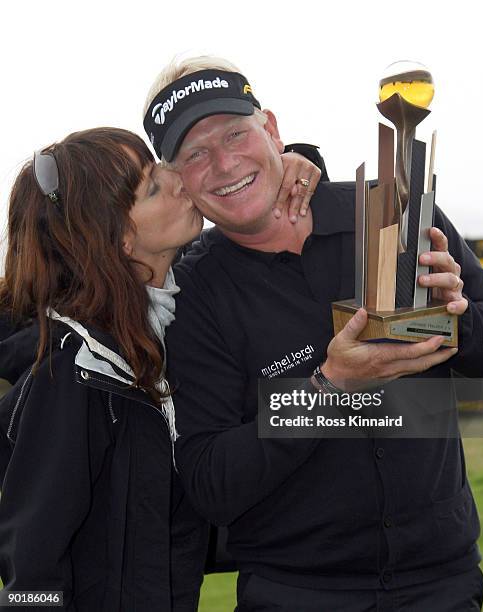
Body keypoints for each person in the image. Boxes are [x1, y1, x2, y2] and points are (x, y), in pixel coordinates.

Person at [143, 56, 483, 611]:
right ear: (178, 180)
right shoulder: (193, 294)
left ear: (271, 129)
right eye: (195, 153)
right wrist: (327, 386)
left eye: (235, 134)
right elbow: (211, 480)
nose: (223, 164)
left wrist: (454, 317)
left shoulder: (394, 213)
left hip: (444, 582)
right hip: (296, 593)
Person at [0, 126, 322, 611]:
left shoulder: (161, 331)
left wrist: (291, 164)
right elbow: (31, 576)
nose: (178, 180)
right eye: (153, 186)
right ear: (120, 240)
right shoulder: (72, 375)